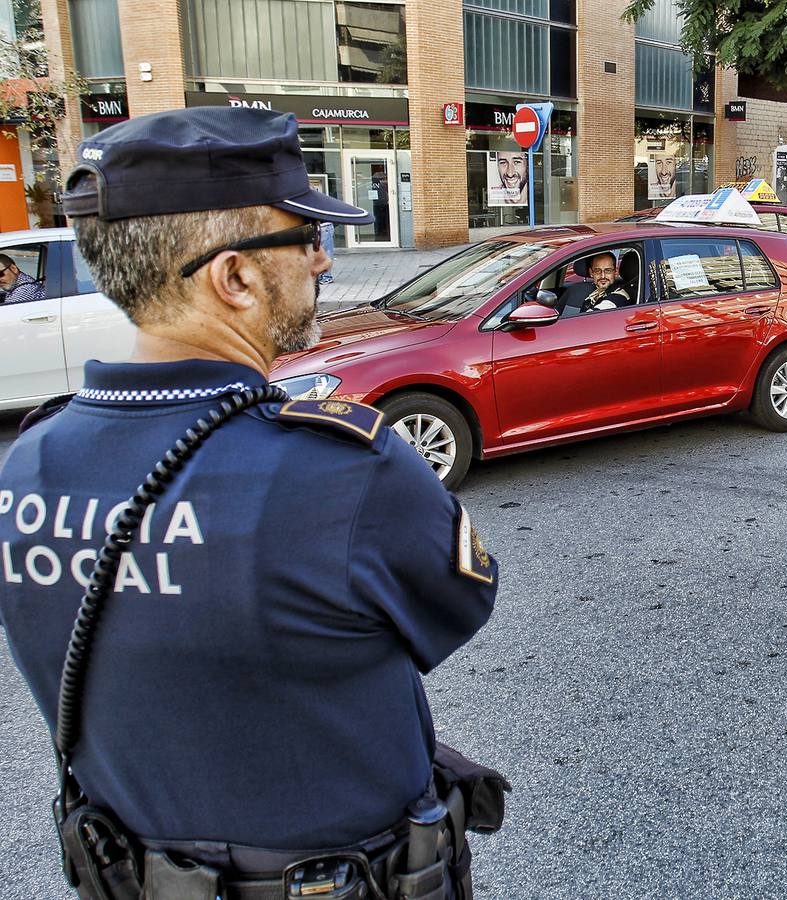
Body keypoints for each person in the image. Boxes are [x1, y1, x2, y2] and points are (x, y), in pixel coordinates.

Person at [0, 107, 499, 897]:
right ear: (233, 278)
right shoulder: (344, 470)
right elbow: (455, 611)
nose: (323, 263)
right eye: (304, 240)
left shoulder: (29, 462)